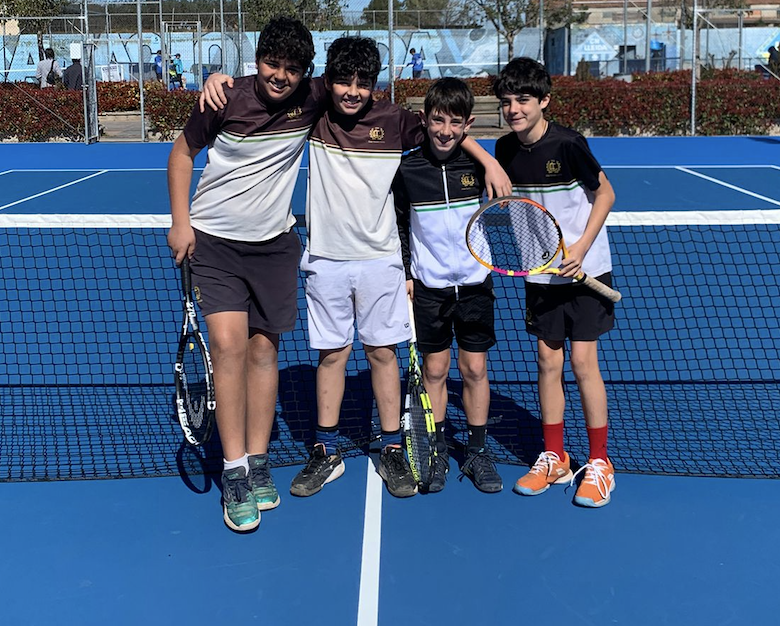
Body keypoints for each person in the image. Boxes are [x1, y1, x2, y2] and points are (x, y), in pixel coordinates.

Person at [200, 38, 510, 501]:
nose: (352, 91)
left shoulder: (395, 120)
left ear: (375, 85)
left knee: (382, 354)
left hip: (381, 261)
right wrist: (219, 80)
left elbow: (444, 126)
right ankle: (325, 450)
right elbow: (270, 87)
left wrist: (487, 159)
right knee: (332, 356)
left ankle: (391, 448)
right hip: (325, 260)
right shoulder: (315, 112)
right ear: (329, 81)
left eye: (363, 83)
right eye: (343, 81)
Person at [167, 17, 326, 532]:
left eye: (292, 69)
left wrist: (482, 155)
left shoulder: (314, 98)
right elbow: (182, 154)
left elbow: (368, 97)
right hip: (214, 243)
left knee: (263, 352)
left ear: (306, 73)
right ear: (256, 61)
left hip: (275, 247)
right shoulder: (225, 98)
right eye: (271, 64)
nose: (280, 76)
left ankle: (258, 461)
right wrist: (180, 222)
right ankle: (233, 469)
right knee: (228, 347)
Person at [493, 57, 618, 508]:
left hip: (584, 270)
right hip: (540, 273)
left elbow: (605, 193)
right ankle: (556, 457)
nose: (514, 109)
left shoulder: (568, 144)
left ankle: (600, 462)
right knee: (548, 361)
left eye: (523, 100)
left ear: (544, 101)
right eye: (507, 101)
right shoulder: (504, 150)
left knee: (583, 363)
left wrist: (581, 246)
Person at [393, 77, 503, 494]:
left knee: (474, 368)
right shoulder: (408, 169)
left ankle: (477, 451)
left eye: (456, 123)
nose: (445, 130)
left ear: (468, 125)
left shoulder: (477, 166)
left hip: (475, 285)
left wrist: (489, 160)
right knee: (435, 370)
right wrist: (407, 273)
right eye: (438, 120)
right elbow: (399, 225)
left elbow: (504, 181)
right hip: (430, 287)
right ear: (425, 120)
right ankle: (437, 451)